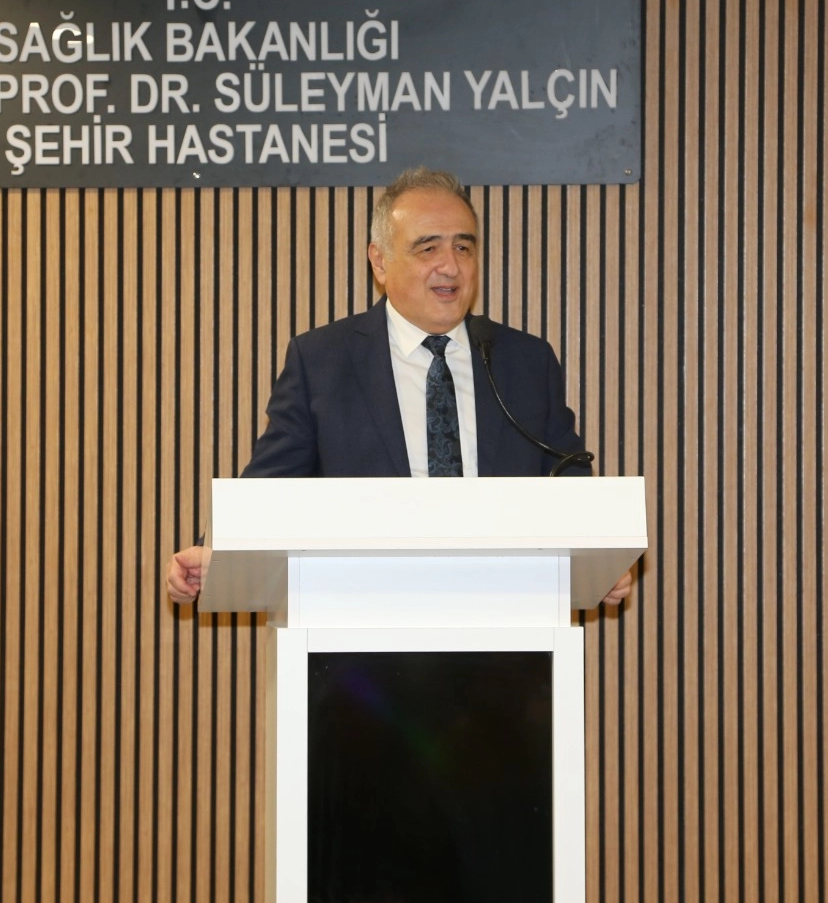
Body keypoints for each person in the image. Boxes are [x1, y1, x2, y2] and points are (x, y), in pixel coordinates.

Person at [167, 166, 634, 607]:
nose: (450, 266)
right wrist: (215, 555)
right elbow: (271, 487)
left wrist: (598, 557)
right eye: (428, 248)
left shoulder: (525, 361)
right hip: (360, 622)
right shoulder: (323, 361)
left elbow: (568, 478)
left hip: (506, 616)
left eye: (463, 247)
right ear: (380, 261)